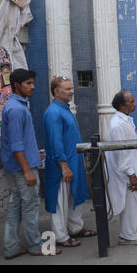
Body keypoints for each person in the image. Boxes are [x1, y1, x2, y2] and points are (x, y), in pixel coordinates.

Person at [1, 69, 61, 259]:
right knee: (30, 207)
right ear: (17, 85)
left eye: (32, 82)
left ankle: (11, 247)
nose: (33, 87)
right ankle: (35, 245)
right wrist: (27, 170)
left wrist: (35, 152)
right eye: (28, 83)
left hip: (18, 165)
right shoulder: (16, 109)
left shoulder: (17, 105)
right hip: (22, 168)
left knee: (16, 206)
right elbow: (16, 144)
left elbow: (21, 141)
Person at [43, 77, 96, 247]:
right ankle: (60, 237)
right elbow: (55, 142)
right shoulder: (53, 112)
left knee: (75, 197)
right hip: (61, 166)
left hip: (74, 162)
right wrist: (64, 166)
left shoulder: (65, 110)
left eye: (72, 88)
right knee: (60, 201)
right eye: (67, 89)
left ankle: (75, 228)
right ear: (56, 92)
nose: (72, 91)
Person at [105, 90, 137, 245]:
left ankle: (129, 234)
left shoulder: (125, 120)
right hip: (127, 171)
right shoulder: (117, 125)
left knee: (133, 204)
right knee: (132, 204)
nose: (135, 104)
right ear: (122, 105)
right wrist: (131, 174)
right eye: (131, 101)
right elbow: (120, 153)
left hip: (132, 166)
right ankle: (127, 236)